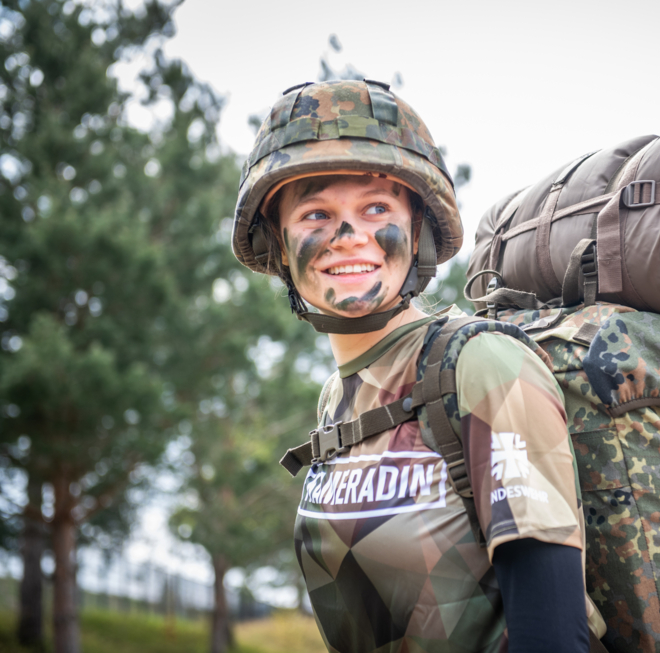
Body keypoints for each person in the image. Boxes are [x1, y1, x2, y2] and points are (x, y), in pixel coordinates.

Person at [231, 79, 600, 653]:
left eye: (376, 208)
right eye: (315, 214)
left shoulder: (480, 364)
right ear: (278, 245)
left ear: (418, 229)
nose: (348, 237)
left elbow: (553, 634)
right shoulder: (337, 398)